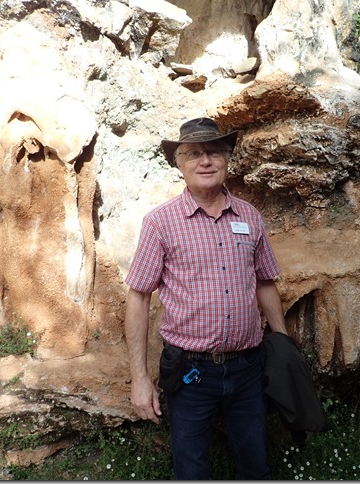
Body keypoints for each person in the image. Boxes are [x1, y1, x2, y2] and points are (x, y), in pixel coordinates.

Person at [124, 117, 288, 480]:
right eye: (194, 153)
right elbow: (138, 297)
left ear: (227, 159)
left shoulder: (250, 216)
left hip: (248, 369)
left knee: (255, 466)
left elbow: (265, 282)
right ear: (179, 164)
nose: (206, 161)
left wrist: (284, 348)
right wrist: (140, 378)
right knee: (191, 470)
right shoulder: (160, 222)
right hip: (189, 372)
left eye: (214, 151)